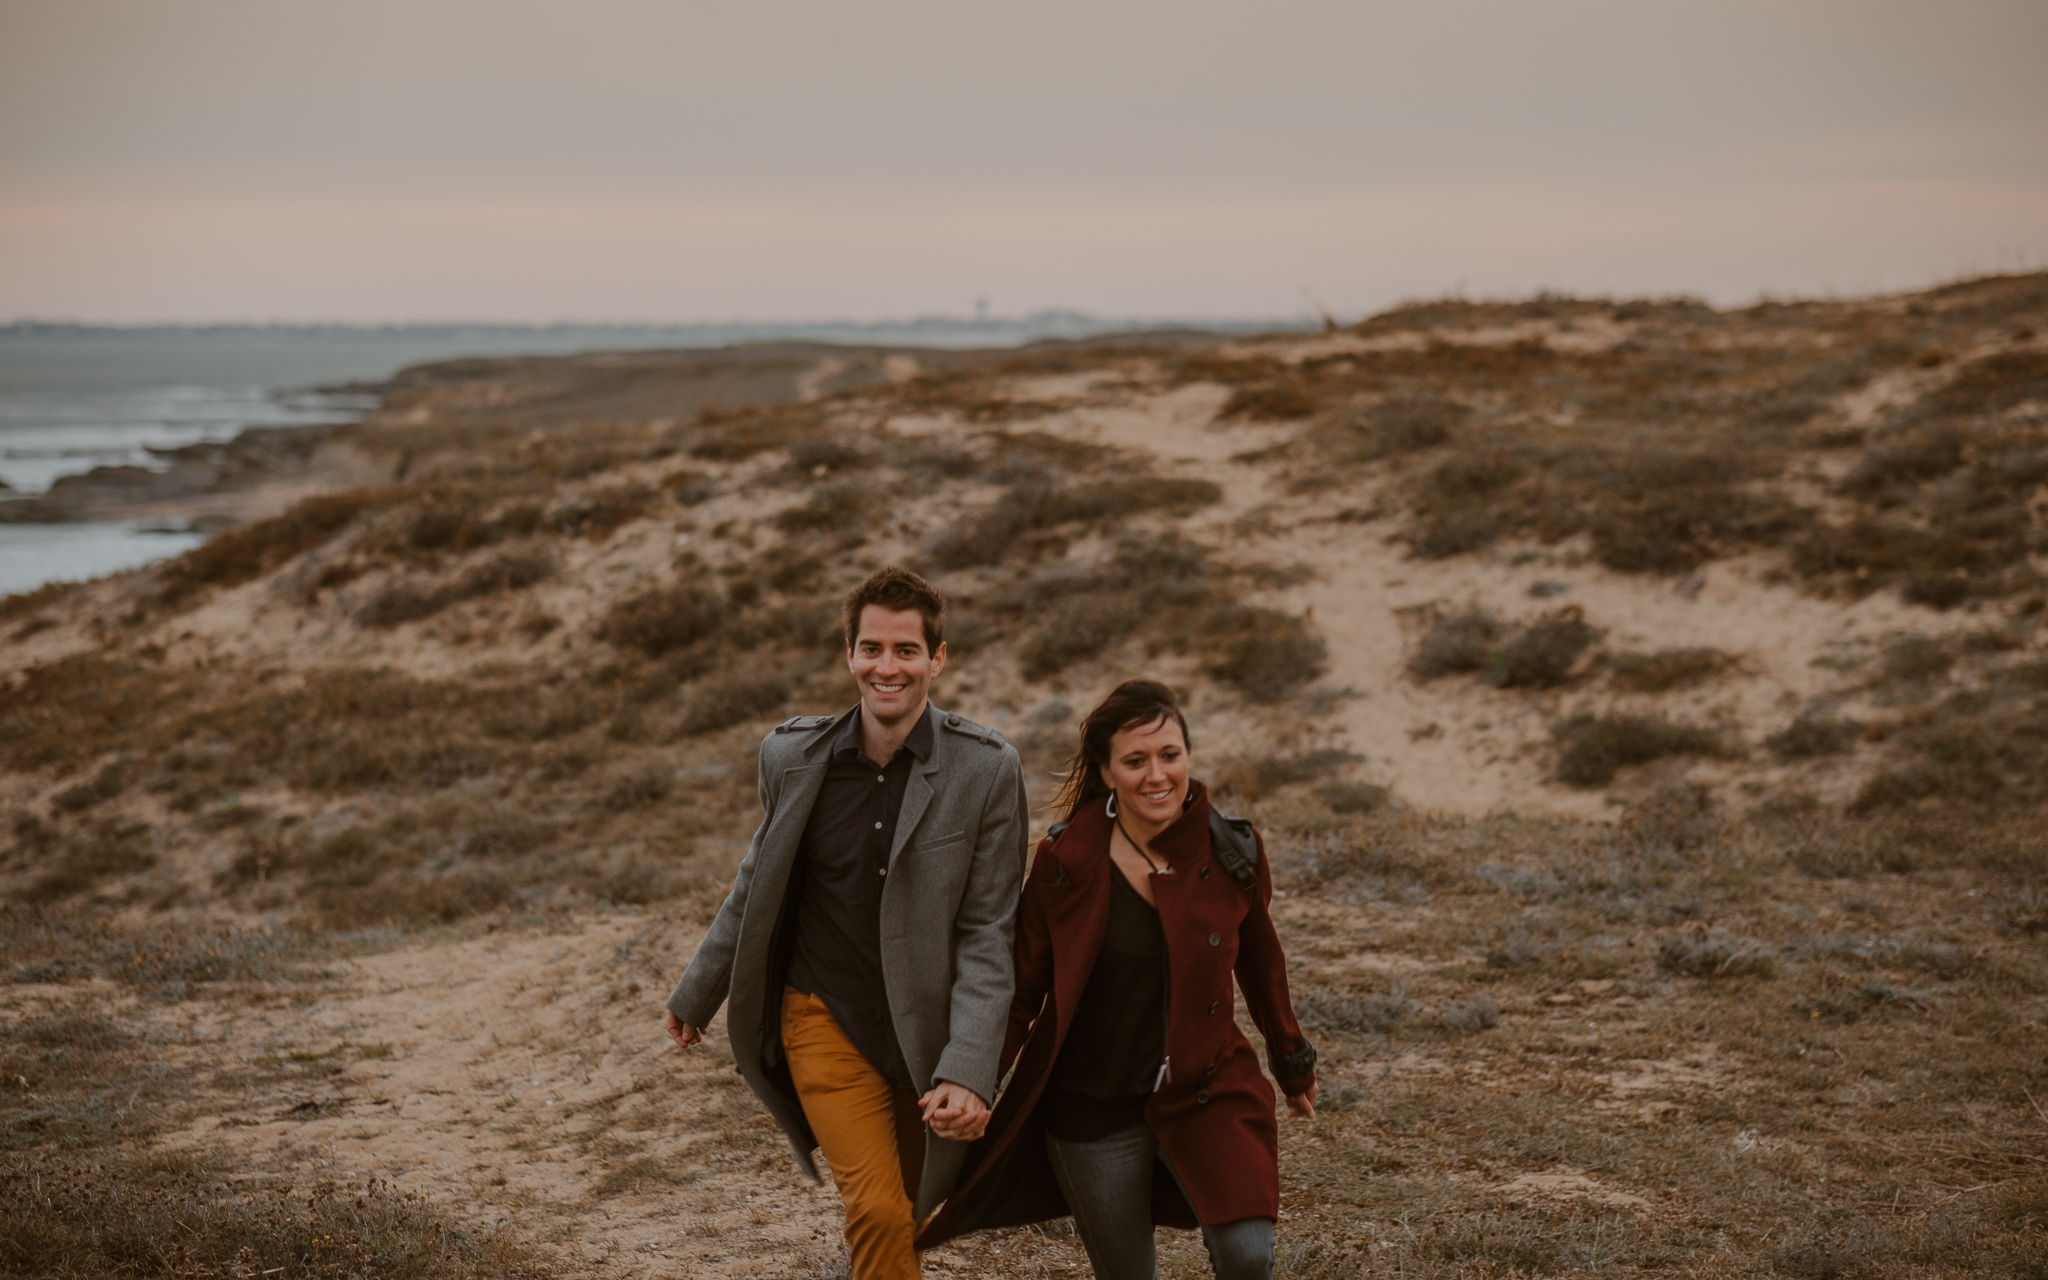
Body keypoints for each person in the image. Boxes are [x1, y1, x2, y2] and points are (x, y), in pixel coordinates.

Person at [663, 566, 1029, 1280]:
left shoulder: (986, 772)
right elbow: (755, 883)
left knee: (910, 1209)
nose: (886, 667)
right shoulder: (791, 758)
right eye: (871, 649)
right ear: (849, 655)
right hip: (822, 1014)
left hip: (924, 1029)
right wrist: (697, 989)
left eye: (905, 651)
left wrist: (970, 1068)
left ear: (937, 658)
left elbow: (989, 931)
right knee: (879, 1211)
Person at [917, 679, 1318, 1280]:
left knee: (1248, 1256)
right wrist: (973, 1079)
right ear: (1107, 773)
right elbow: (1021, 990)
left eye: (1170, 755)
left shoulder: (1234, 850)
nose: (1157, 775)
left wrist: (1292, 1063)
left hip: (1207, 1088)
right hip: (1091, 1111)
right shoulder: (1065, 864)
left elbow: (1262, 967)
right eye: (1135, 761)